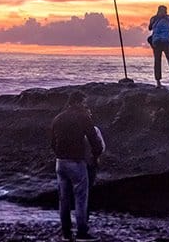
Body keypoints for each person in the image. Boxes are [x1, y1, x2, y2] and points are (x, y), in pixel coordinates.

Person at [51, 91, 103, 242]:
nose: (84, 105)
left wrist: (59, 154)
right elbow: (93, 138)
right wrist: (96, 155)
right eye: (83, 102)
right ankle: (82, 232)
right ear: (77, 102)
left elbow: (52, 142)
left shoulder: (58, 118)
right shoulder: (83, 116)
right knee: (81, 198)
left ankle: (66, 233)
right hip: (76, 162)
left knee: (64, 199)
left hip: (60, 162)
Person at [149, 5, 169, 87]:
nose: (165, 12)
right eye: (165, 11)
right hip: (166, 41)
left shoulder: (153, 18)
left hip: (156, 41)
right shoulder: (168, 18)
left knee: (157, 61)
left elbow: (150, 28)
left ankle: (158, 82)